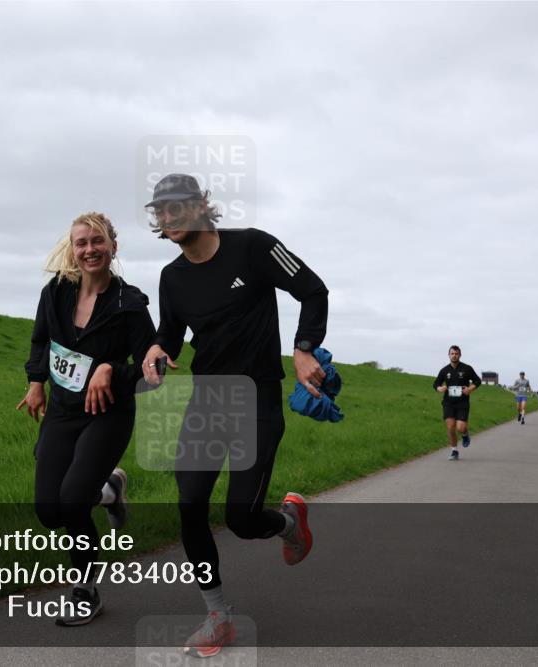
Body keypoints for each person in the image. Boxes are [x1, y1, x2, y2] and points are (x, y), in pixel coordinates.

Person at [140, 173, 328, 658]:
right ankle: (217, 616)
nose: (170, 217)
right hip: (207, 401)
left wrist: (304, 348)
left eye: (179, 205)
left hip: (258, 399)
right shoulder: (172, 278)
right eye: (162, 210)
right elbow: (171, 332)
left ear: (203, 204)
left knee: (242, 518)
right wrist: (158, 350)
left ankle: (289, 522)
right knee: (189, 506)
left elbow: (313, 289)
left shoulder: (254, 247)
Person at [18, 212, 156, 626]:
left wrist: (113, 368)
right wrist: (36, 381)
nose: (89, 250)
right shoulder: (56, 291)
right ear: (72, 248)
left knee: (74, 501)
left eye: (98, 242)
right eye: (82, 243)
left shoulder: (129, 303)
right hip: (62, 410)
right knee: (49, 511)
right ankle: (110, 489)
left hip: (108, 414)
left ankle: (85, 590)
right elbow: (41, 338)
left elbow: (154, 370)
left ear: (113, 246)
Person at [432, 345, 482, 460]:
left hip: (462, 403)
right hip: (448, 402)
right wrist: (439, 388)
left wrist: (470, 389)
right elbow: (436, 383)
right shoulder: (444, 370)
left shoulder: (467, 368)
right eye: (452, 353)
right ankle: (454, 451)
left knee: (460, 428)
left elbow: (477, 381)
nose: (454, 356)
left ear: (460, 355)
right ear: (449, 355)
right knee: (450, 427)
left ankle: (465, 434)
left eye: (456, 354)